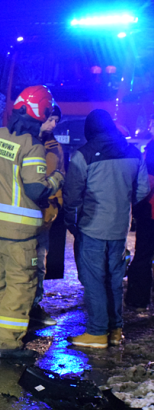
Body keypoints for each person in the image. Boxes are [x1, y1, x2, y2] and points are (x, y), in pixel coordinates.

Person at [0, 85, 63, 359]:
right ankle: (8, 346)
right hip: (19, 235)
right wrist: (57, 179)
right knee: (20, 287)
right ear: (40, 112)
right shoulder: (32, 146)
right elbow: (36, 190)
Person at [64, 109, 150, 348]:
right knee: (114, 279)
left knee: (93, 280)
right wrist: (123, 204)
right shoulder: (133, 153)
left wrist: (72, 222)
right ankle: (115, 329)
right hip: (119, 227)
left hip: (91, 227)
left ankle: (97, 332)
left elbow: (72, 196)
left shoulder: (83, 155)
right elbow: (142, 190)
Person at [29, 105, 64, 326]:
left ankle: (33, 306)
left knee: (39, 265)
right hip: (23, 215)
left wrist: (54, 208)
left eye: (56, 121)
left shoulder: (54, 148)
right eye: (50, 119)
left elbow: (59, 177)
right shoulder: (26, 143)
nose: (53, 125)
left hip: (43, 217)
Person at [124, 125, 154, 313]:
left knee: (143, 255)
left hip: (151, 212)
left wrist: (135, 204)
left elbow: (148, 180)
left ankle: (138, 300)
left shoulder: (152, 147)